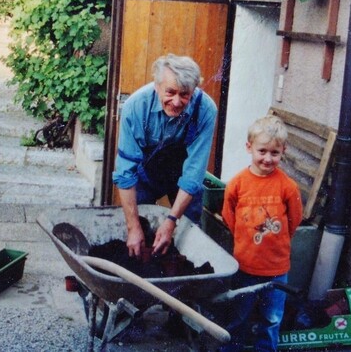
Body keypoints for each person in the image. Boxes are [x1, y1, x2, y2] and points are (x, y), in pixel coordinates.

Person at [112, 53, 217, 258]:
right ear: (157, 86)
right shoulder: (136, 107)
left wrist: (171, 221)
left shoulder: (205, 110)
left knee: (187, 233)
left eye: (185, 94)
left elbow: (193, 173)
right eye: (170, 92)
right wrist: (133, 227)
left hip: (183, 175)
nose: (177, 102)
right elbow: (125, 172)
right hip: (146, 172)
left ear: (194, 91)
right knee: (138, 230)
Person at [220, 115, 303, 352]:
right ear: (249, 147)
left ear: (283, 151)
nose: (268, 158)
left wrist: (276, 240)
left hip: (277, 270)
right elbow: (229, 216)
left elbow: (294, 220)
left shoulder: (288, 187)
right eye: (262, 151)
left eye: (274, 153)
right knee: (238, 317)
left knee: (271, 320)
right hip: (244, 266)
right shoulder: (237, 184)